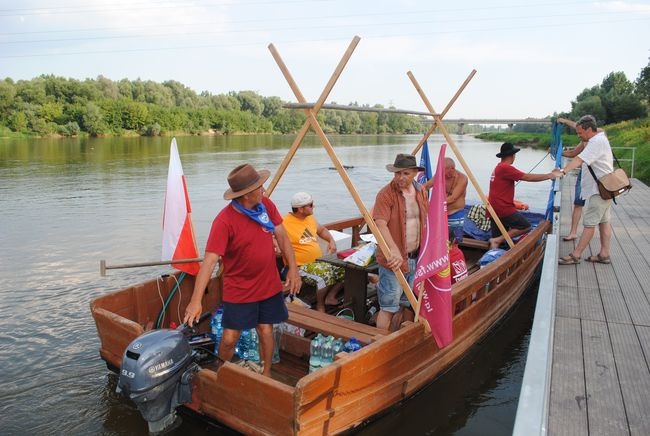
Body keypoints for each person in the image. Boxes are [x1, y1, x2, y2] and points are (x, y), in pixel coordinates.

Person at [182, 163, 301, 377]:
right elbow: (209, 262)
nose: (263, 190)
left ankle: (266, 374)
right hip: (240, 288)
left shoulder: (266, 205)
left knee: (265, 329)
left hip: (268, 283)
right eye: (259, 187)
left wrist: (293, 268)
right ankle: (222, 374)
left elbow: (282, 236)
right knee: (229, 337)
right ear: (246, 195)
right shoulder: (224, 221)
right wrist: (195, 300)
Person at [372, 154, 428, 331]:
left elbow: (425, 221)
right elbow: (380, 223)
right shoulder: (386, 194)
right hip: (394, 260)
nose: (400, 178)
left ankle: (404, 335)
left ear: (414, 174)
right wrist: (394, 250)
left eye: (405, 173)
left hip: (416, 256)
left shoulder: (421, 191)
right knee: (388, 306)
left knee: (408, 301)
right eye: (397, 173)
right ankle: (379, 342)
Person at [557, 115, 614, 265]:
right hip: (606, 188)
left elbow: (578, 159)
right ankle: (604, 254)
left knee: (589, 223)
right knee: (604, 222)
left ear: (589, 129)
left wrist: (563, 171)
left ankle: (576, 255)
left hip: (599, 191)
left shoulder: (596, 142)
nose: (579, 136)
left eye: (580, 132)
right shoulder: (599, 137)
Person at [487, 142, 559, 249]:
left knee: (498, 241)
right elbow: (527, 177)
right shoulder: (505, 168)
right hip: (503, 207)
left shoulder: (498, 167)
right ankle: (498, 240)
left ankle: (494, 253)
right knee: (525, 226)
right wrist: (549, 175)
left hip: (493, 207)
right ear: (512, 156)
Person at [283, 192, 344, 312]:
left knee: (346, 269)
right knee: (325, 274)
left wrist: (331, 240)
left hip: (317, 263)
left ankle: (330, 297)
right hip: (300, 266)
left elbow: (322, 230)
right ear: (300, 209)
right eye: (310, 205)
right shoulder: (284, 222)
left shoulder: (310, 218)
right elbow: (273, 238)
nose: (313, 206)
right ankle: (320, 305)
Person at [423, 157, 468, 242]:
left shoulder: (462, 179)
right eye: (440, 171)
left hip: (455, 214)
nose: (442, 173)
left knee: (453, 242)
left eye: (444, 171)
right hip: (440, 214)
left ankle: (454, 255)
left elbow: (453, 198)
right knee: (438, 241)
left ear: (452, 169)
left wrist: (432, 204)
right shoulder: (439, 175)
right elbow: (425, 187)